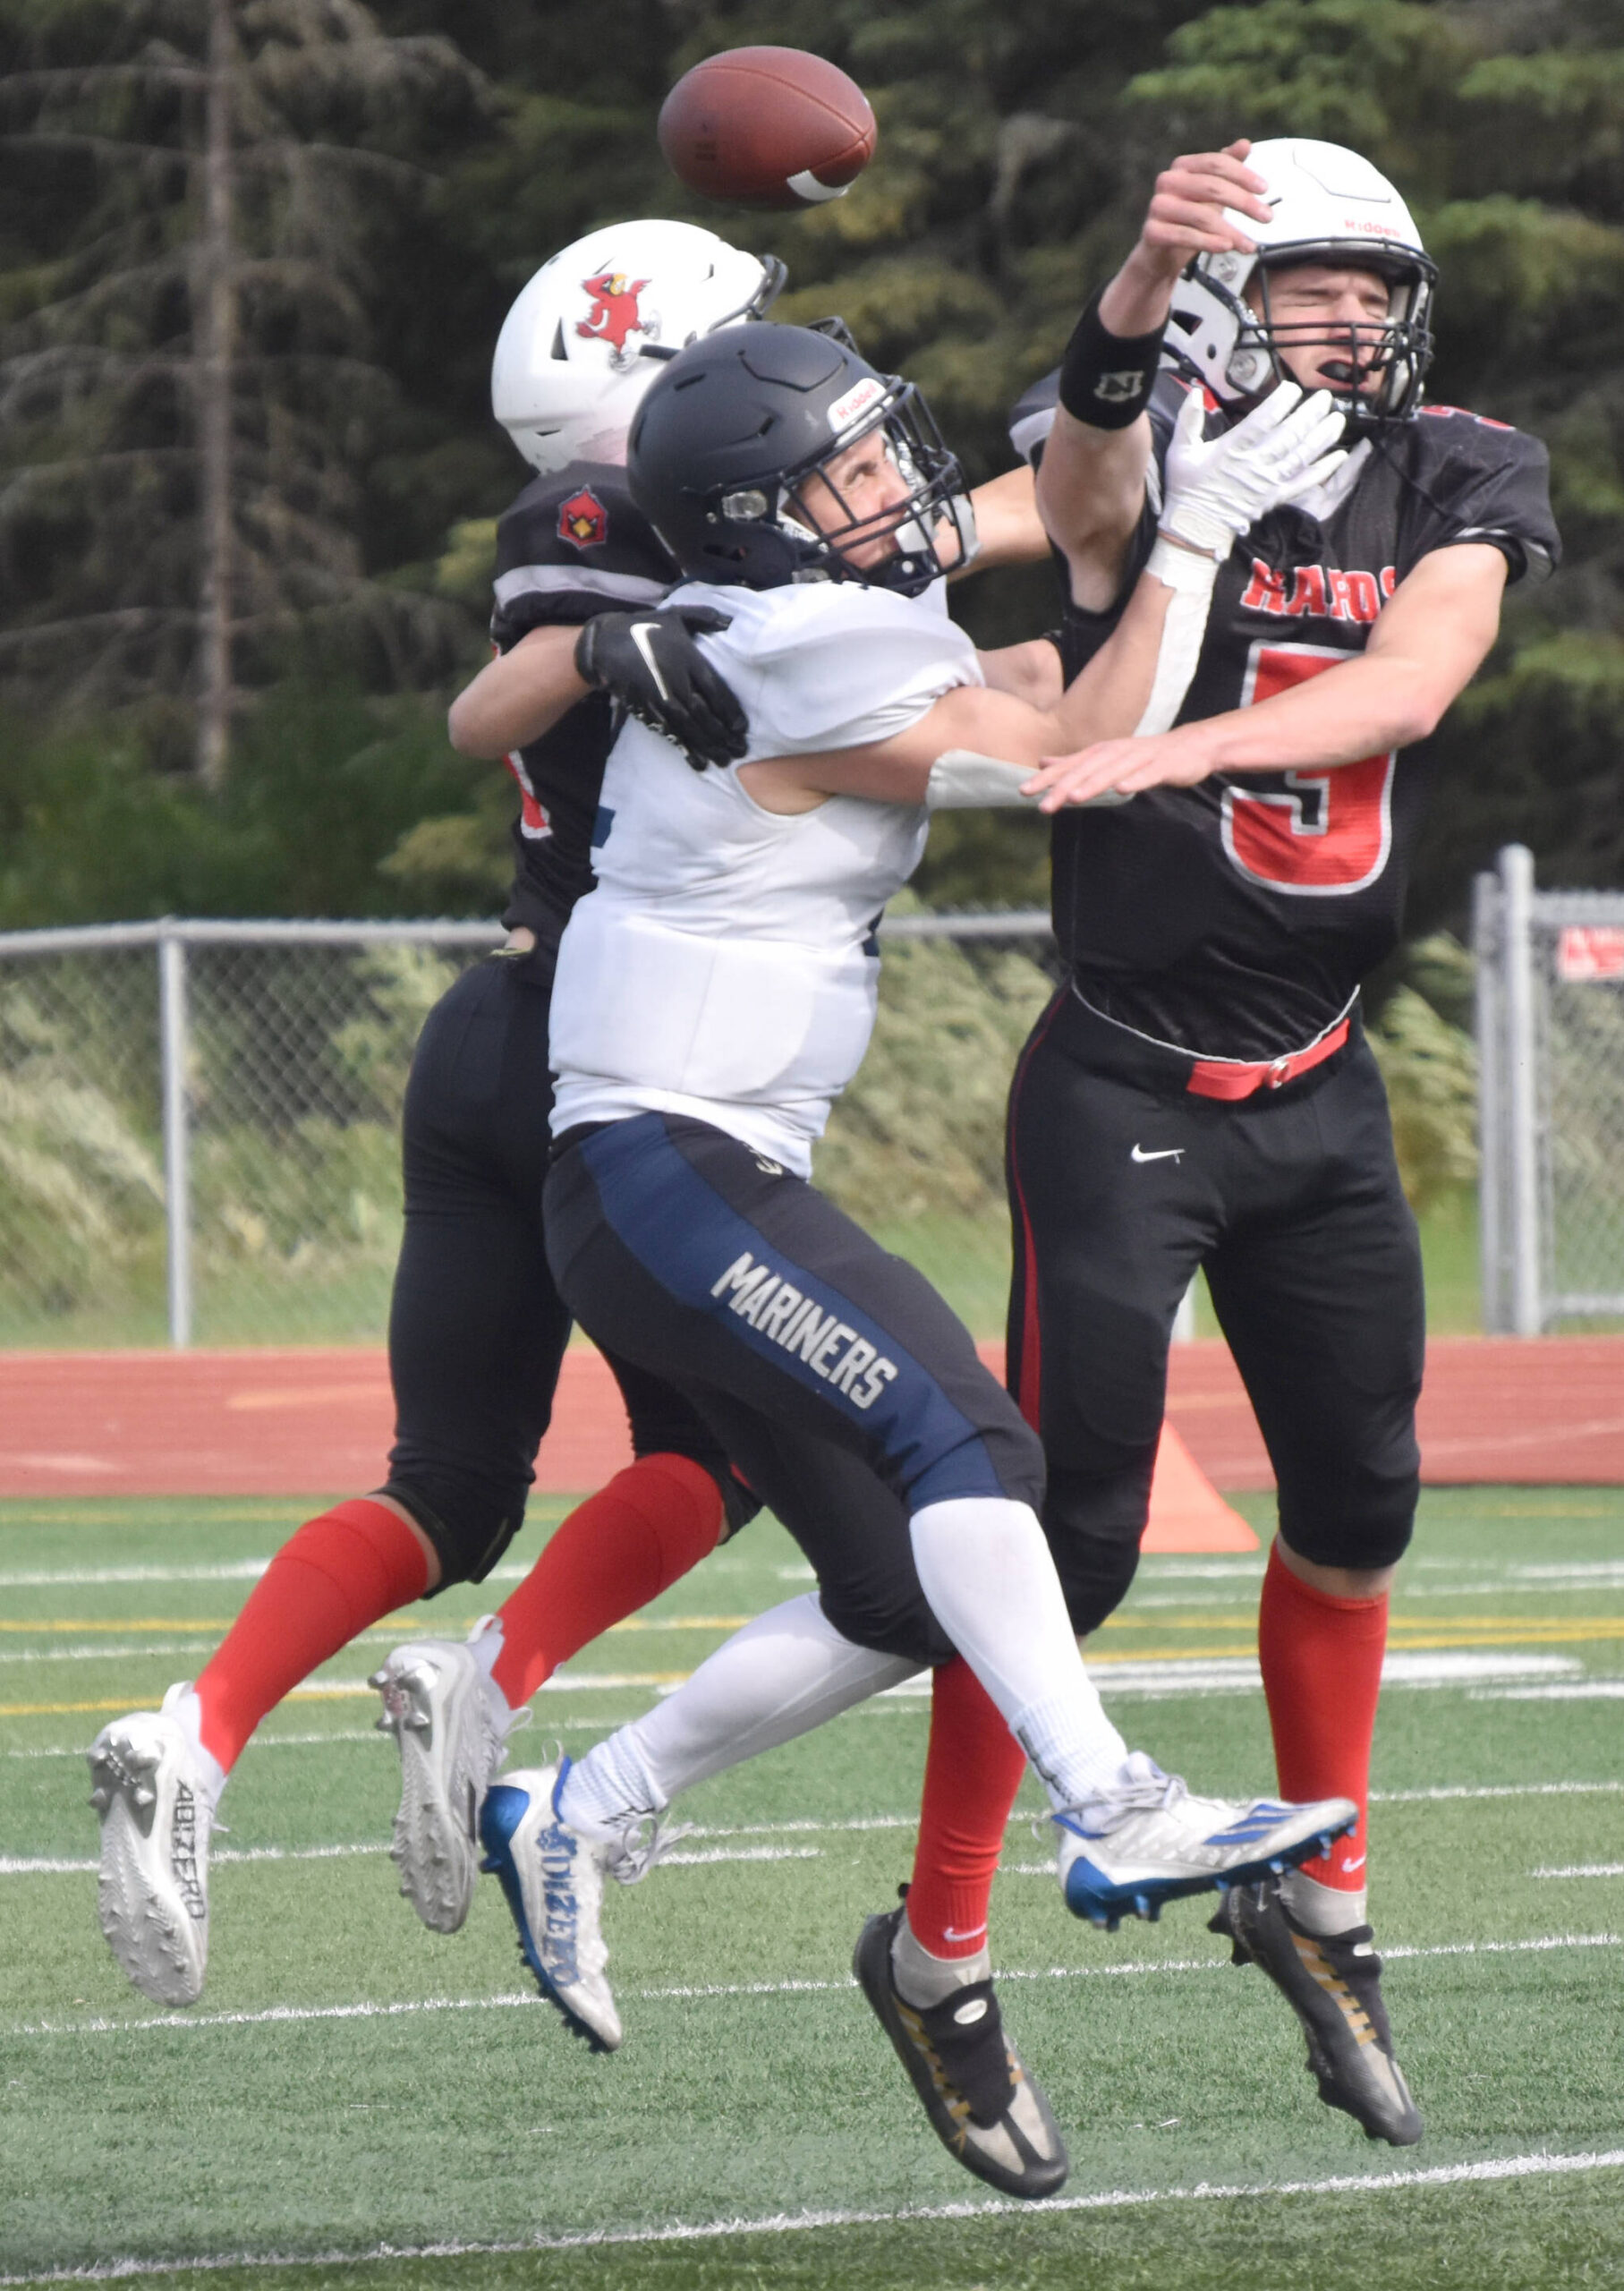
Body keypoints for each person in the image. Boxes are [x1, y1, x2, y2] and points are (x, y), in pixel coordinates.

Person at [468, 318, 1358, 2201]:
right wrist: (1187, 540)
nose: (897, 492)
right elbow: (1076, 747)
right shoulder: (801, 635)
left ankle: (581, 1806)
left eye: (886, 454)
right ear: (758, 521)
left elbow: (1013, 641)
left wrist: (1133, 457)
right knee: (984, 1457)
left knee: (899, 1585)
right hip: (663, 1161)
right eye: (851, 472)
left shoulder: (793, 607)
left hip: (683, 1166)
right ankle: (1105, 1798)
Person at [900, 135, 1558, 2152]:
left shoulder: (1456, 462)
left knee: (1359, 1506)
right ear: (1212, 305)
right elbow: (1056, 498)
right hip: (1120, 1089)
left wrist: (1177, 741)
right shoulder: (1149, 442)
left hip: (1320, 1084)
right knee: (1067, 1545)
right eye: (1302, 283)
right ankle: (932, 1950)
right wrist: (1121, 311)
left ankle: (1324, 1896)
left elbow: (1412, 676)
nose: (1348, 318)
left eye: (1373, 282)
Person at [85, 220, 811, 2008]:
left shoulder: (642, 531)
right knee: (727, 1455)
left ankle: (206, 1724)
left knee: (449, 1478)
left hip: (492, 1035)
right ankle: (488, 1671)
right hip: (621, 1072)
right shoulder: (600, 538)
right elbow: (537, 675)